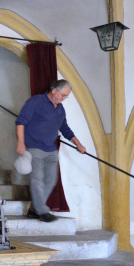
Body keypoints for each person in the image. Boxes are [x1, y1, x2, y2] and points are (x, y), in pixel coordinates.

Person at [15, 79, 86, 222]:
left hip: (51, 150)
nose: (64, 99)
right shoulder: (36, 102)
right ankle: (42, 212)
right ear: (54, 91)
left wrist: (78, 144)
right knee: (37, 180)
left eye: (66, 97)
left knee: (51, 180)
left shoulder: (60, 109)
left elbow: (65, 129)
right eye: (63, 95)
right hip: (34, 148)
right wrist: (21, 142)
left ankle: (34, 209)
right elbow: (21, 122)